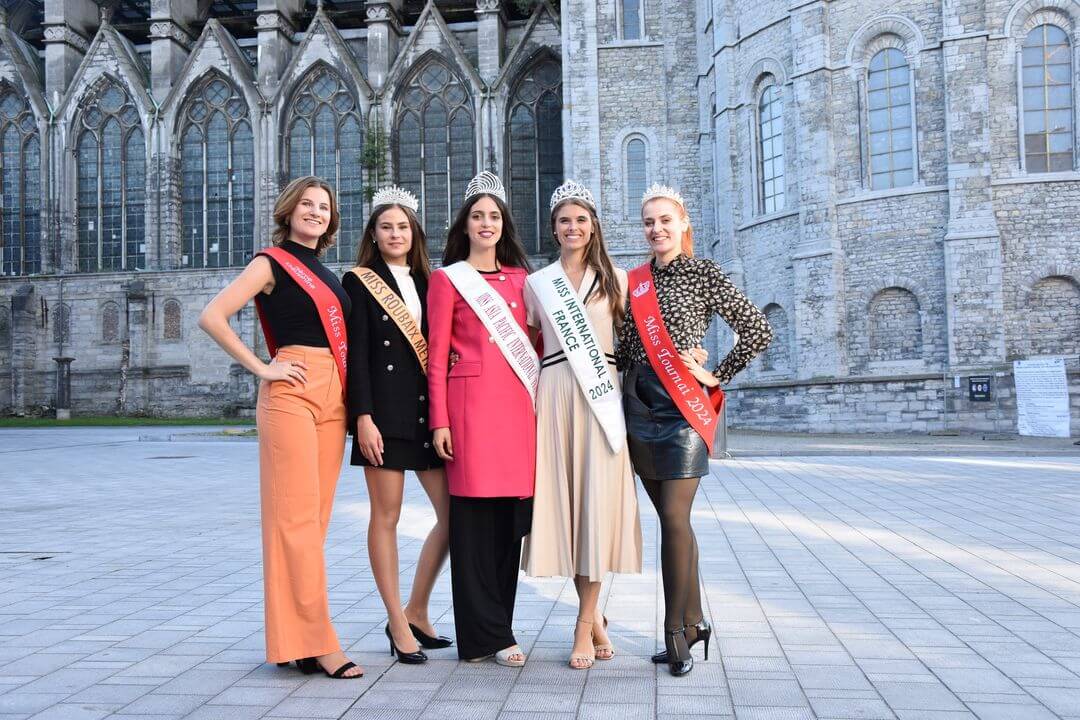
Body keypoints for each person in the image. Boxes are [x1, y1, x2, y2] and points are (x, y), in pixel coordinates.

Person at [198, 176, 362, 679]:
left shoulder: (328, 272)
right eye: (307, 205)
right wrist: (264, 367)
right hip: (291, 391)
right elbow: (213, 316)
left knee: (313, 524)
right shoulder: (269, 263)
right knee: (293, 521)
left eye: (324, 207)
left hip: (333, 393)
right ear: (288, 211)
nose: (316, 212)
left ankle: (296, 643)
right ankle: (319, 641)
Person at [615, 183, 772, 676]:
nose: (656, 229)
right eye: (648, 222)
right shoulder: (633, 282)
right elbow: (623, 349)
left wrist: (716, 373)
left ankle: (674, 636)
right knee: (669, 520)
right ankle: (696, 620)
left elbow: (757, 329)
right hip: (639, 405)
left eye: (665, 220)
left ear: (683, 223)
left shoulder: (704, 272)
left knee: (676, 520)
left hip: (682, 408)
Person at [520, 180, 642, 669]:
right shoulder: (538, 283)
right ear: (554, 228)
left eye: (581, 220)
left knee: (594, 506)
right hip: (554, 396)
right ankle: (595, 618)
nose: (573, 227)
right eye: (564, 220)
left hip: (601, 398)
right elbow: (530, 340)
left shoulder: (616, 278)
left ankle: (582, 624)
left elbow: (634, 343)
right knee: (569, 510)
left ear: (594, 227)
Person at [427, 171, 537, 667]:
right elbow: (435, 357)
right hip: (468, 412)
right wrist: (439, 421)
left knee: (507, 528)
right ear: (465, 226)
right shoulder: (447, 279)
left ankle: (500, 628)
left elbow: (537, 348)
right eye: (477, 216)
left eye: (494, 216)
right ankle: (481, 638)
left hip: (517, 412)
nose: (486, 223)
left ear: (503, 224)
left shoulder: (523, 280)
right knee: (470, 528)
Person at [342, 186, 452, 665]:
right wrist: (361, 418)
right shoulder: (360, 282)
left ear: (415, 232)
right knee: (385, 517)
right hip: (383, 417)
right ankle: (395, 619)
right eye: (386, 226)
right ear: (374, 233)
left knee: (453, 518)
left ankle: (417, 610)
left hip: (428, 415)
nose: (395, 233)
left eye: (403, 226)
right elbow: (358, 356)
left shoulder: (434, 282)